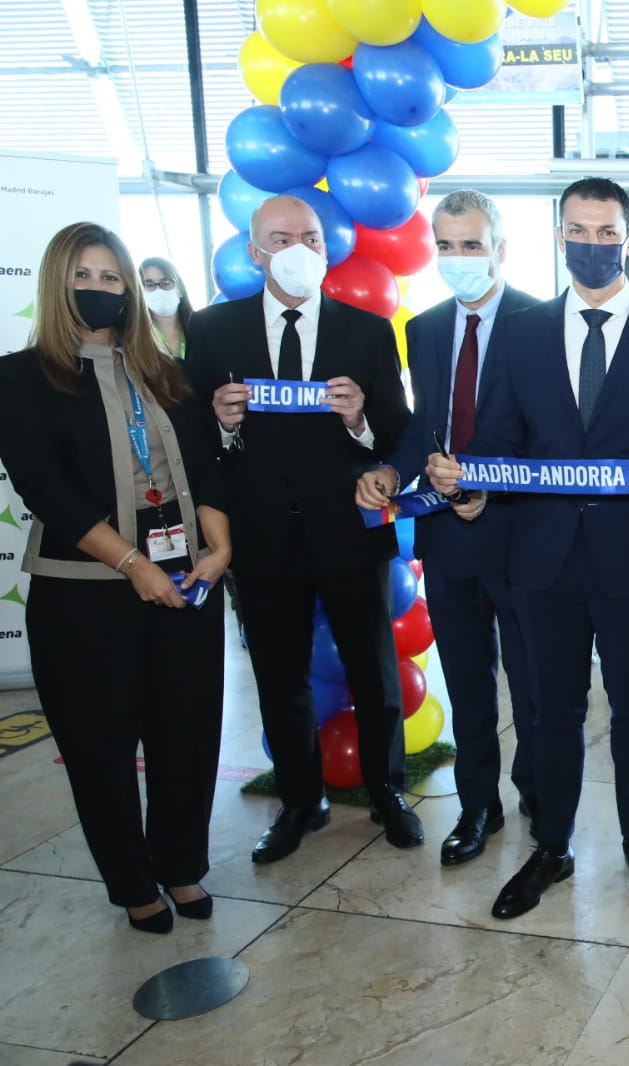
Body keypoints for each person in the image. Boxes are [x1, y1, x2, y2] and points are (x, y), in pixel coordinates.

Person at [430, 177, 629, 919]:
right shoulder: (521, 334)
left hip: (628, 558)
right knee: (548, 712)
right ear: (560, 238)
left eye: (606, 231)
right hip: (542, 558)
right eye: (578, 231)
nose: (592, 244)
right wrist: (473, 479)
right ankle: (550, 848)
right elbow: (497, 436)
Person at [0, 222, 231, 931]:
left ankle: (181, 866)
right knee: (100, 748)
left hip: (185, 587)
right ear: (57, 284)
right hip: (86, 595)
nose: (100, 290)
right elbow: (45, 488)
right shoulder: (20, 376)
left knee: (186, 737)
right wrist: (131, 564)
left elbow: (204, 466)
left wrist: (217, 549)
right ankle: (133, 883)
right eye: (84, 277)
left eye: (111, 278)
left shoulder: (165, 371)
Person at [185, 194, 421, 865]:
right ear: (255, 250)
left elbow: (398, 432)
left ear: (326, 249)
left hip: (348, 531)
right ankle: (299, 800)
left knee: (372, 672)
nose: (297, 249)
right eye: (280, 237)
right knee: (279, 675)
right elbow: (191, 442)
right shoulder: (212, 331)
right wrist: (224, 425)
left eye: (310, 237)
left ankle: (386, 789)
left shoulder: (368, 330)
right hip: (260, 537)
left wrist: (358, 423)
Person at [355, 190, 539, 868]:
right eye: (448, 245)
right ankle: (478, 805)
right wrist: (389, 471)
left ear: (500, 249)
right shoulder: (424, 328)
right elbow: (420, 425)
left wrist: (492, 483)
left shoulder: (540, 324)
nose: (459, 258)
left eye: (473, 244)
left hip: (521, 533)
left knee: (531, 680)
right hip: (446, 538)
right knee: (467, 680)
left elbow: (553, 437)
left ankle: (537, 790)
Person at [140, 256, 193, 360]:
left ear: (180, 289)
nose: (158, 289)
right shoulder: (135, 339)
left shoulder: (200, 330)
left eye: (166, 282)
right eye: (149, 284)